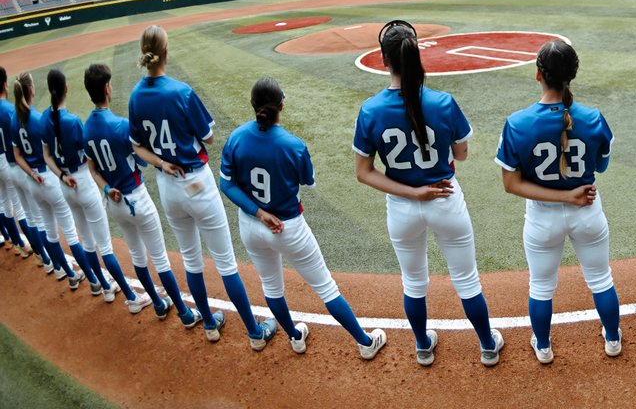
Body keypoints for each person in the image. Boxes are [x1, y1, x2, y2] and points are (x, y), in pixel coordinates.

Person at [354, 20, 502, 366]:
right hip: (446, 197)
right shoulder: (443, 102)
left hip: (402, 207)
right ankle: (487, 346)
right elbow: (461, 154)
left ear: (384, 60)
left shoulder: (371, 110)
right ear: (416, 54)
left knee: (413, 282)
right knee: (466, 279)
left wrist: (412, 191)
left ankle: (422, 346)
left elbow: (364, 173)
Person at [129, 25, 277, 349]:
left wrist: (161, 162)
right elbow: (208, 136)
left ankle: (209, 323)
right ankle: (254, 332)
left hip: (167, 186)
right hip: (198, 182)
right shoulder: (181, 92)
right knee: (224, 261)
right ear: (166, 53)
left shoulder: (136, 96)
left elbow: (137, 146)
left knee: (190, 258)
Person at [220, 77, 387, 359]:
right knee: (325, 286)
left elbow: (226, 184)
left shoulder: (236, 138)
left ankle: (296, 337)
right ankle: (365, 342)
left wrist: (259, 212)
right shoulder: (292, 145)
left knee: (271, 286)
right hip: (289, 228)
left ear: (253, 105)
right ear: (281, 107)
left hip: (251, 225)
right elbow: (308, 182)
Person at [496, 41, 621, 362]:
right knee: (601, 279)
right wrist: (571, 190)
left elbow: (511, 184)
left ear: (538, 74)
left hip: (542, 219)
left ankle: (544, 347)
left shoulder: (517, 123)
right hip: (588, 211)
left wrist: (561, 194)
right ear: (572, 76)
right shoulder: (593, 119)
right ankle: (612, 339)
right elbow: (601, 166)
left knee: (541, 286)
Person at [81, 63, 193, 321]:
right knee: (160, 258)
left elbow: (92, 168)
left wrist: (107, 188)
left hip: (115, 203)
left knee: (136, 254)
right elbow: (142, 157)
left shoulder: (87, 129)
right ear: (107, 89)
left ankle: (155, 303)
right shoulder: (121, 125)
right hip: (137, 198)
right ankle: (186, 313)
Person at [43, 69, 140, 304]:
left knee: (86, 240)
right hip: (84, 182)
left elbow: (47, 155)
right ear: (66, 88)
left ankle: (101, 285)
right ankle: (130, 297)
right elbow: (89, 156)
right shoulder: (73, 121)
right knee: (104, 244)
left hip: (65, 184)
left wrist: (62, 177)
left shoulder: (44, 118)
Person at [11, 72, 91, 288]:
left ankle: (66, 273)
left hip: (33, 180)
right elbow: (53, 151)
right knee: (69, 231)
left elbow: (17, 155)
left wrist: (31, 173)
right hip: (50, 178)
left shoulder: (14, 119)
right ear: (30, 90)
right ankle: (93, 279)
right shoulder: (38, 119)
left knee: (47, 229)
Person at [0, 67, 39, 260]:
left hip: (4, 161)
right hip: (12, 163)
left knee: (4, 204)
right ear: (5, 85)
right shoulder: (9, 110)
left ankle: (15, 242)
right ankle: (39, 251)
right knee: (24, 208)